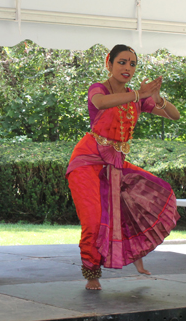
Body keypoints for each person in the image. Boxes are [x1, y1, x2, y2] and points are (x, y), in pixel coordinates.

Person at [66, 44, 180, 290]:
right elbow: (102, 102)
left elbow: (175, 115)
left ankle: (136, 258)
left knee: (144, 201)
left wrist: (157, 97)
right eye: (122, 62)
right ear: (109, 63)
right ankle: (92, 272)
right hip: (87, 161)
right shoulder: (100, 89)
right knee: (94, 221)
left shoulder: (135, 97)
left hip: (116, 163)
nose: (127, 67)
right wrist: (139, 94)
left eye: (132, 63)